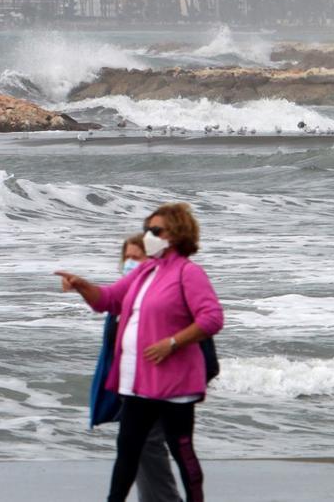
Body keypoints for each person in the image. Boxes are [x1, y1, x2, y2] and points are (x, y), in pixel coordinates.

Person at [58, 203, 223, 502]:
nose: (148, 235)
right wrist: (82, 286)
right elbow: (108, 299)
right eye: (147, 229)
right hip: (138, 383)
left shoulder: (188, 272)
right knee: (127, 452)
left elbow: (211, 319)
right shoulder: (147, 270)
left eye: (155, 231)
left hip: (174, 385)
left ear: (176, 233)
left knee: (182, 450)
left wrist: (172, 343)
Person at [91, 235, 181, 502]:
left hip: (157, 386)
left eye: (137, 258)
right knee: (140, 449)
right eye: (127, 258)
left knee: (147, 445)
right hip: (131, 387)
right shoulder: (124, 296)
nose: (130, 263)